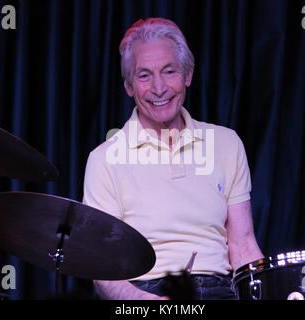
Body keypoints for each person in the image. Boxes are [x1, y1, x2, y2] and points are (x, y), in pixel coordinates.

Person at [83, 17, 264, 300]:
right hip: (144, 292)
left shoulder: (227, 144)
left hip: (222, 291)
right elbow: (103, 269)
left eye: (169, 71)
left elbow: (243, 246)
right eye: (144, 75)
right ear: (129, 86)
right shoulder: (104, 159)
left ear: (187, 75)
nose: (159, 88)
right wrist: (148, 302)